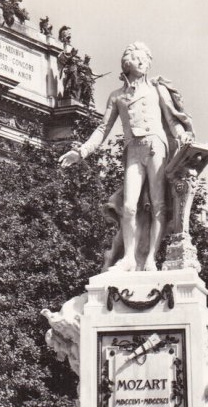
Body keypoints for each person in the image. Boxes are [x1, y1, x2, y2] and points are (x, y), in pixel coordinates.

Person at [59, 42, 194, 272]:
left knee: (159, 205)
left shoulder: (156, 89)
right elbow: (103, 129)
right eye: (137, 59)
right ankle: (129, 258)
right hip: (133, 150)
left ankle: (151, 259)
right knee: (129, 206)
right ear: (127, 64)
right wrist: (81, 152)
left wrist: (182, 136)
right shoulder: (117, 97)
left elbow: (172, 121)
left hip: (156, 147)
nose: (143, 63)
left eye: (145, 60)